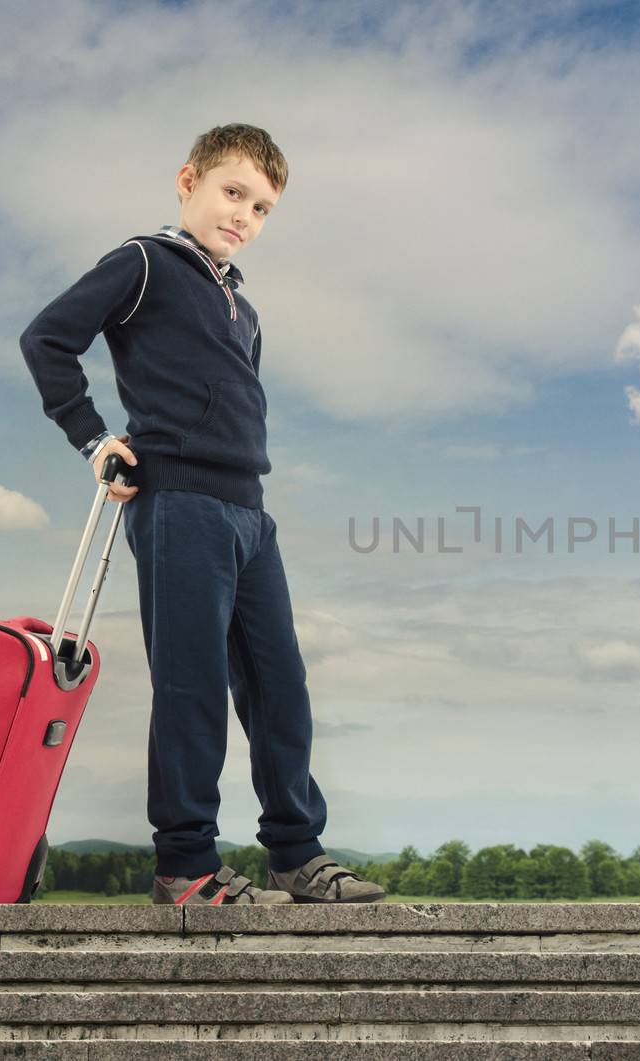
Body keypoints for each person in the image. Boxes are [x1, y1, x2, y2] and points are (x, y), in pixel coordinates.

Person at [19, 123, 383, 905]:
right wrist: (93, 438)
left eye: (261, 206)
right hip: (178, 503)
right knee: (192, 687)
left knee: (281, 686)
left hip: (251, 514)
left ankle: (296, 852)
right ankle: (185, 864)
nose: (244, 214)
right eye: (232, 192)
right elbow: (47, 338)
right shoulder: (144, 263)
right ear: (189, 180)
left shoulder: (243, 308)